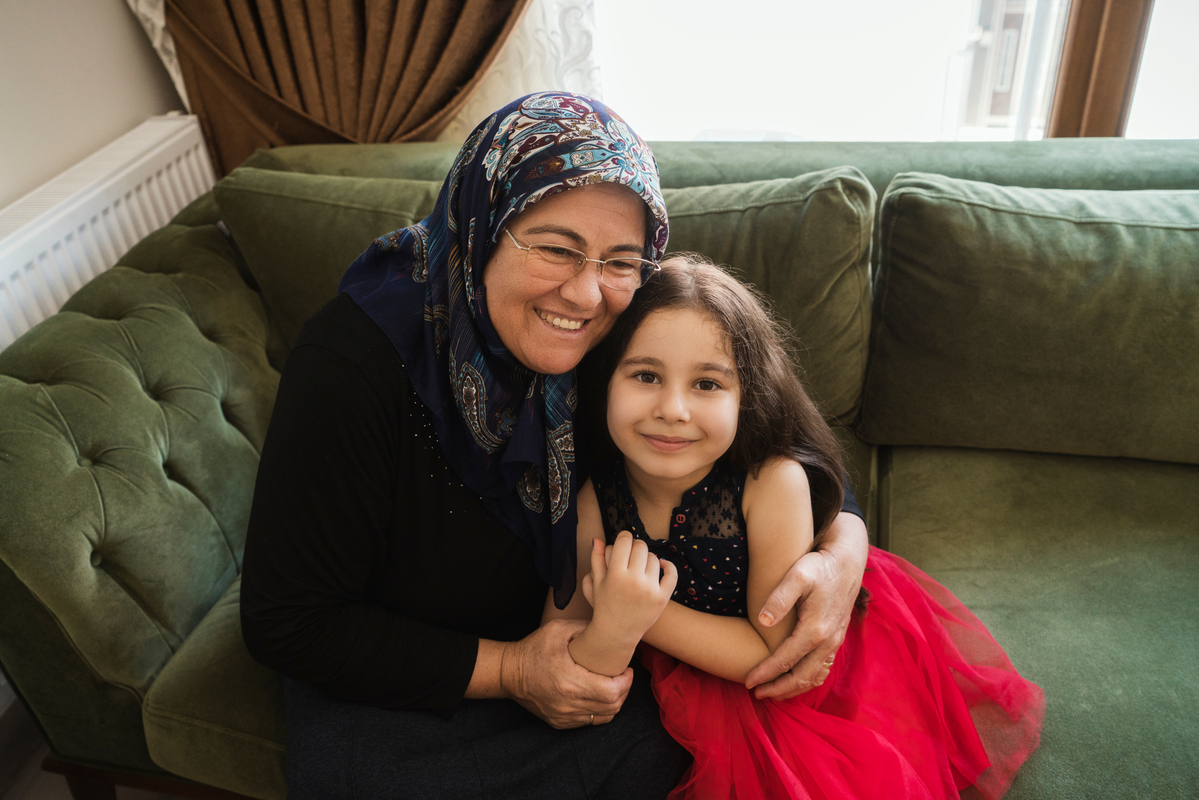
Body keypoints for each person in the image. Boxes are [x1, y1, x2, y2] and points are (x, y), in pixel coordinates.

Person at [239, 92, 868, 799]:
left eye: (619, 260)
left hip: (591, 654)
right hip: (413, 680)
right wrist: (511, 672)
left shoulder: (622, 328)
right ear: (485, 224)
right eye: (555, 248)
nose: (584, 292)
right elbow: (288, 622)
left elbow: (771, 433)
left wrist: (843, 550)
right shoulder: (353, 360)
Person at [547, 254, 1045, 799]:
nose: (673, 408)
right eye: (645, 375)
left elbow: (773, 656)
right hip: (674, 673)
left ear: (747, 396)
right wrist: (612, 631)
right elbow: (567, 647)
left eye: (708, 384)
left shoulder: (773, 483)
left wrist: (644, 617)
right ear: (604, 382)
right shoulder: (596, 496)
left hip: (791, 679)